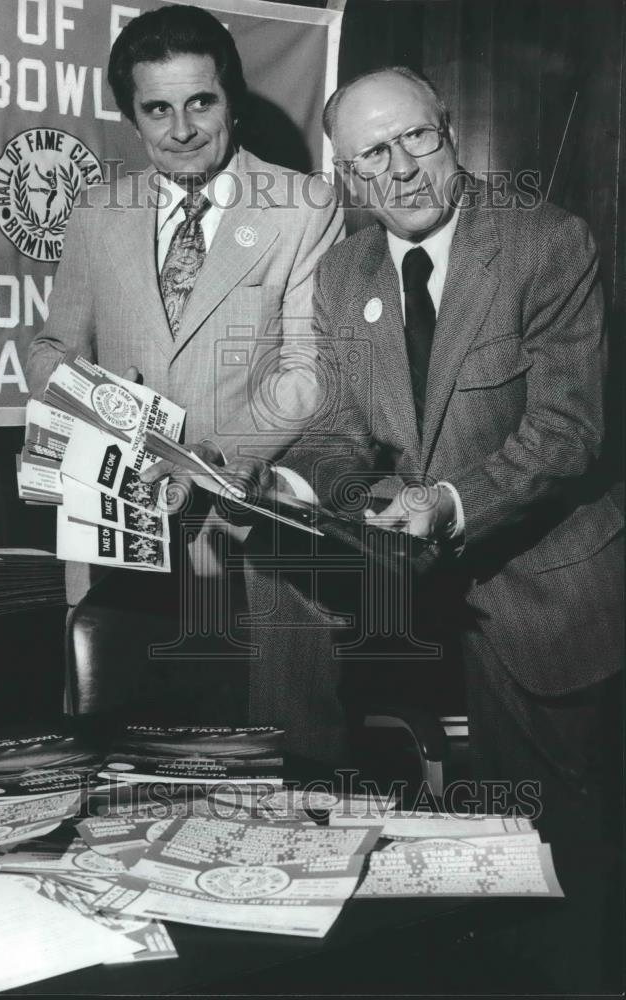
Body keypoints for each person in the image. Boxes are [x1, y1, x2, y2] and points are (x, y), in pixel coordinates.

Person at [235, 66, 622, 988]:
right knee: (427, 843)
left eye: (417, 139)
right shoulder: (343, 272)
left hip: (536, 582)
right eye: (373, 153)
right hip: (403, 573)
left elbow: (567, 434)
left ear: (449, 134)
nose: (402, 169)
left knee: (557, 843)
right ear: (347, 174)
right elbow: (336, 431)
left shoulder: (546, 243)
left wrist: (445, 504)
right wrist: (302, 483)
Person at [26, 5, 342, 720]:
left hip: (244, 527)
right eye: (157, 109)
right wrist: (95, 396)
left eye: (201, 102)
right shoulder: (97, 210)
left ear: (230, 99)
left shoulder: (303, 205)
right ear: (133, 118)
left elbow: (311, 373)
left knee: (260, 754)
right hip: (120, 531)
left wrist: (202, 461)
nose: (182, 130)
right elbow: (51, 350)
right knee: (122, 747)